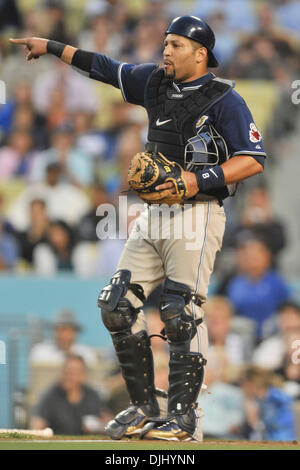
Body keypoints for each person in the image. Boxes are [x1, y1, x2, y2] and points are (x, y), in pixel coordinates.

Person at [11, 14, 266, 441]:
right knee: (117, 304)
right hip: (155, 214)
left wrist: (194, 179)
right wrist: (51, 45)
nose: (166, 50)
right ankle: (146, 407)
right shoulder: (154, 81)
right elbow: (103, 67)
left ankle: (185, 419)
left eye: (177, 45)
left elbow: (253, 159)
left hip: (199, 212)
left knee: (182, 314)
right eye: (166, 42)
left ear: (201, 54)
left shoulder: (225, 99)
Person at [30, 354, 112, 435]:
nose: (68, 376)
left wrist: (97, 427)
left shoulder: (92, 396)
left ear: (83, 376)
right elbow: (37, 426)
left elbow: (109, 422)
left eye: (73, 372)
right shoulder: (50, 396)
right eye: (66, 371)